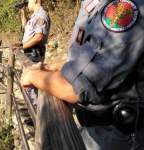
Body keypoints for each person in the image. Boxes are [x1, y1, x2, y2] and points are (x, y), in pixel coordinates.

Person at [21, 0, 144, 149]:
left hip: (117, 134)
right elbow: (84, 57)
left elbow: (75, 88)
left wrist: (32, 76)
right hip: (93, 127)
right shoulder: (95, 3)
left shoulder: (123, 8)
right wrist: (52, 67)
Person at [12, 0, 51, 109]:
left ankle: (37, 117)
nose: (27, 3)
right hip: (29, 53)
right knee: (29, 84)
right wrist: (23, 11)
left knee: (31, 86)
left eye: (28, 1)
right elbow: (25, 26)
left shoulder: (42, 15)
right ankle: (35, 114)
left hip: (34, 54)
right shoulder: (35, 16)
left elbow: (39, 36)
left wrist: (21, 46)